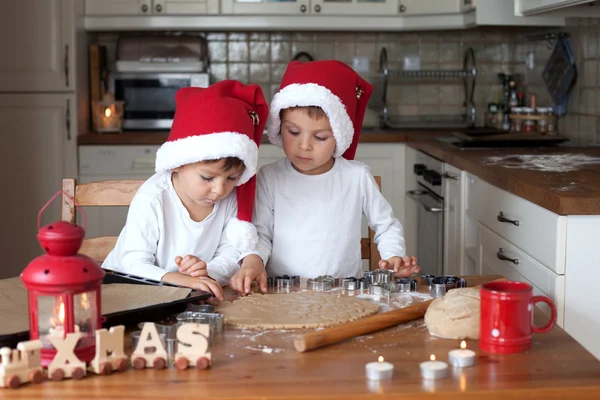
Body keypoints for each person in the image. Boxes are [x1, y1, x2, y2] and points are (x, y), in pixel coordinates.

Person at [229, 60, 419, 295]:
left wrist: (393, 257)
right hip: (283, 294)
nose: (304, 146)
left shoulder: (356, 177)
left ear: (339, 136)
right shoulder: (269, 177)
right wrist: (253, 261)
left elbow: (386, 225)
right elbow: (261, 233)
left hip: (346, 292)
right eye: (294, 132)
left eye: (319, 137)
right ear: (279, 127)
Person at [102, 80, 268, 300]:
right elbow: (132, 264)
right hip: (126, 295)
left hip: (181, 298)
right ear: (178, 163)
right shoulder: (153, 198)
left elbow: (230, 252)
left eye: (232, 178)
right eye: (207, 177)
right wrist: (181, 279)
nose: (220, 189)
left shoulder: (230, 197)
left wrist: (206, 272)